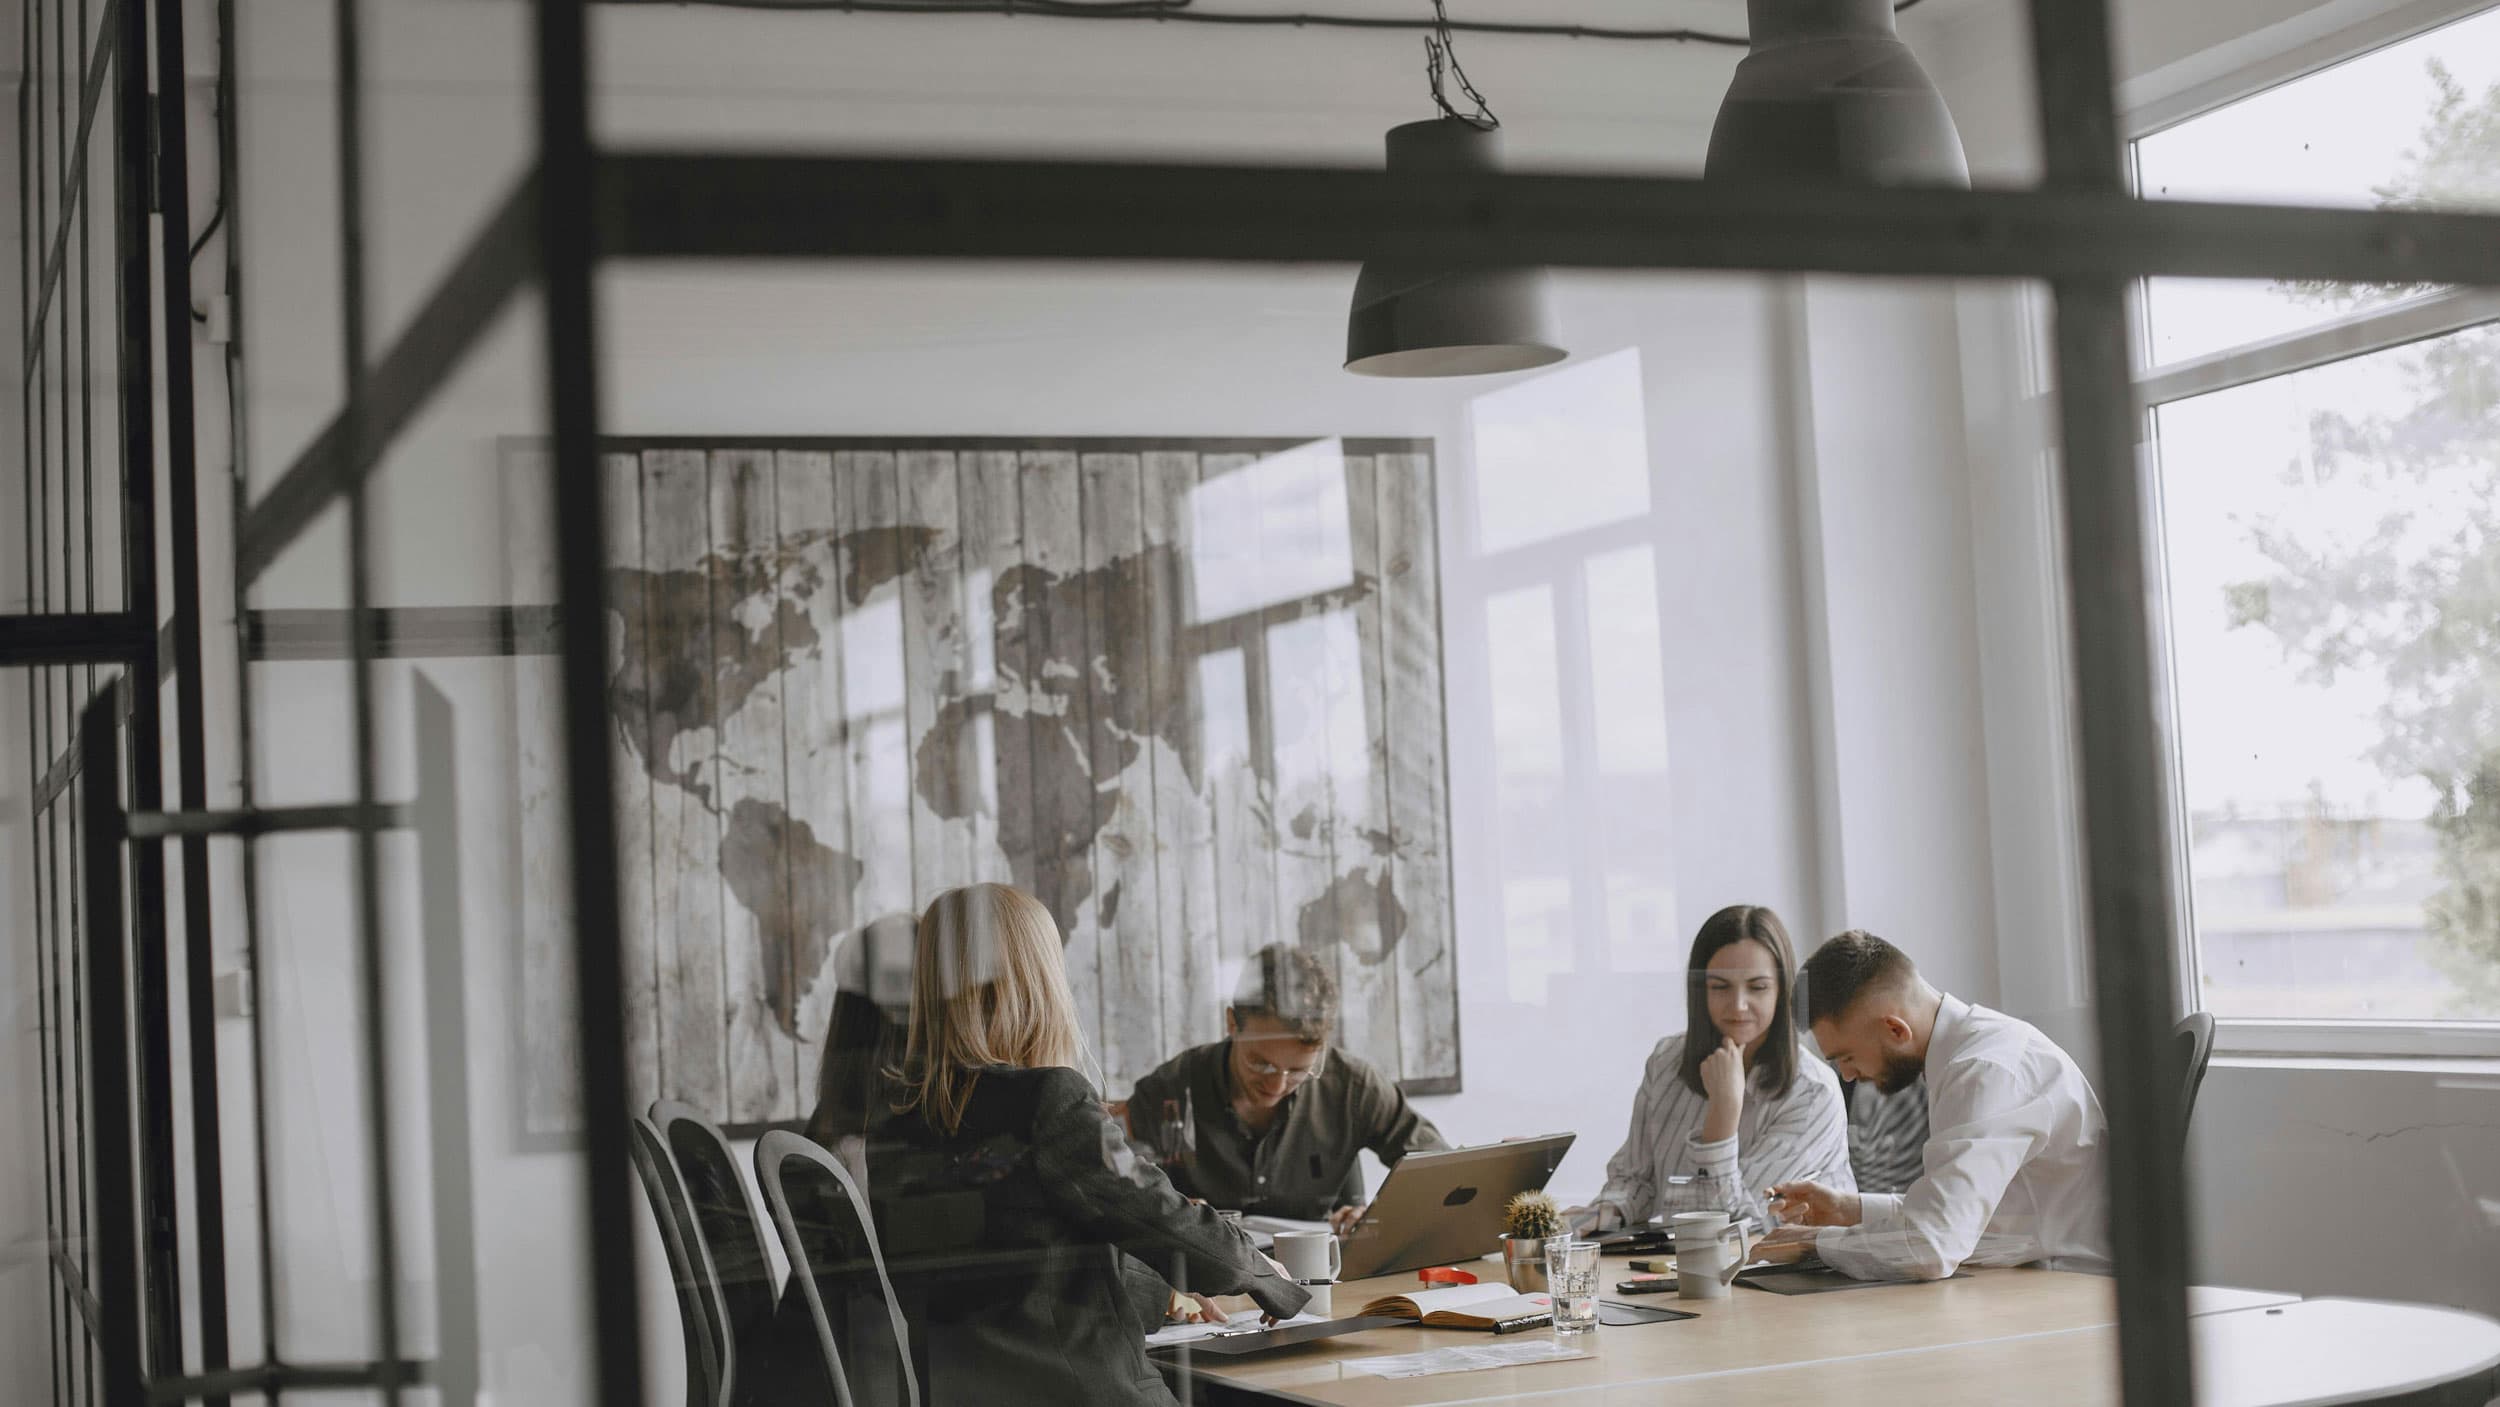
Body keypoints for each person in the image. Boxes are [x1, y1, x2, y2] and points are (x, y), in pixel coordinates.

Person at [780, 883, 1306, 1407]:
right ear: (1036, 982)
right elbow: (1165, 1218)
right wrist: (1265, 1274)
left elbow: (1030, 1264)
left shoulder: (896, 1122)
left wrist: (1170, 1292)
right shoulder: (1048, 1098)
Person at [1757, 930, 2112, 1280]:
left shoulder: (1984, 1071)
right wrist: (1848, 1209)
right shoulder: (1967, 1054)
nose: (1847, 1076)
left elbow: (1932, 1243)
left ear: (1896, 1030)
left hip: (2074, 1287)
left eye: (1846, 1057)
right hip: (2032, 1274)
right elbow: (1965, 1215)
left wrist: (1815, 1244)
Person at [1565, 904, 1853, 1235]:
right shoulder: (1667, 1059)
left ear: (1782, 992)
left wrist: (1724, 1111)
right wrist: (1599, 1215)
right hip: (1681, 1264)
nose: (1738, 1005)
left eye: (1757, 987)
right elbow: (1636, 1179)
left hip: (1785, 1273)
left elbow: (1737, 1226)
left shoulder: (1813, 1092)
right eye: (1720, 987)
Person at [1124, 944, 1447, 1232]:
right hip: (1204, 1287)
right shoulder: (1169, 1089)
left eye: (1299, 1070)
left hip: (1319, 1279)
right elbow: (1114, 1193)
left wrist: (1378, 1218)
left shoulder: (1353, 1085)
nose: (1277, 1086)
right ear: (1232, 1024)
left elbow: (1440, 1173)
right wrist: (1167, 1212)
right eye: (1260, 1063)